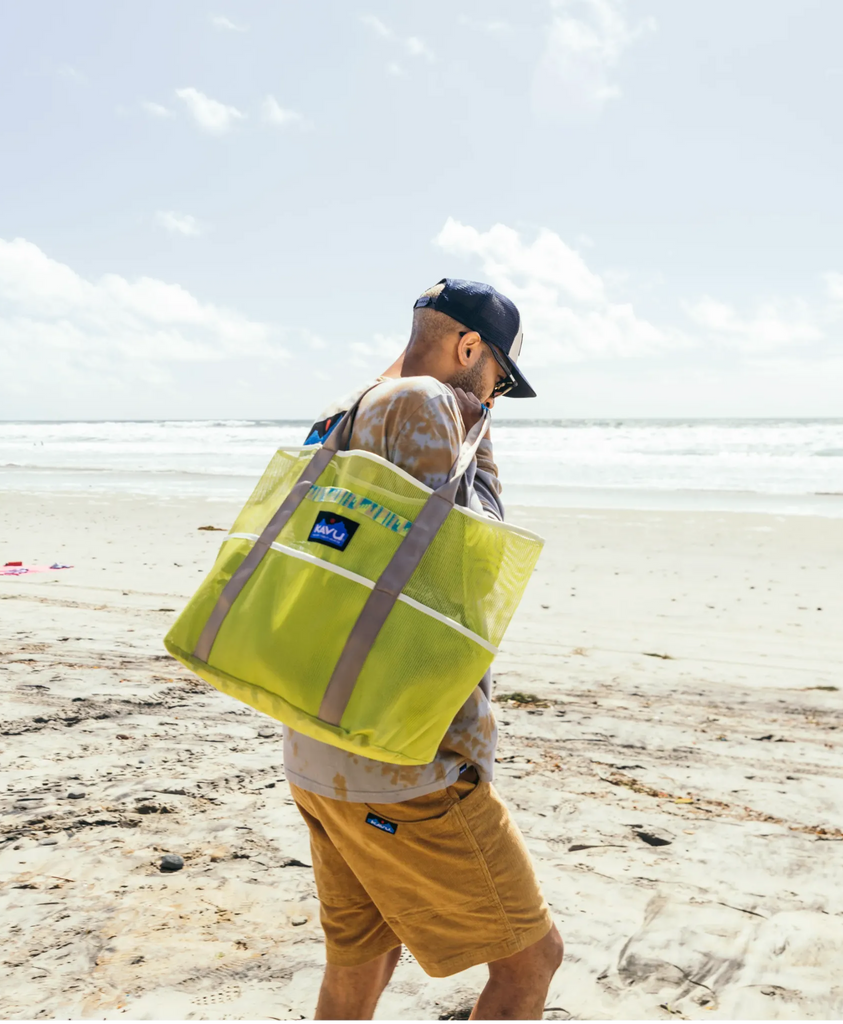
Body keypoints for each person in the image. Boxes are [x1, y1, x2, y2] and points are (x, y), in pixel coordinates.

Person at [288, 279, 563, 1023]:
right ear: (470, 348)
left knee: (362, 959)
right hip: (405, 762)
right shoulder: (433, 407)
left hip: (318, 746)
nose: (496, 395)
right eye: (500, 378)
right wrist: (475, 420)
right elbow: (463, 562)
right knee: (531, 961)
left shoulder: (351, 411)